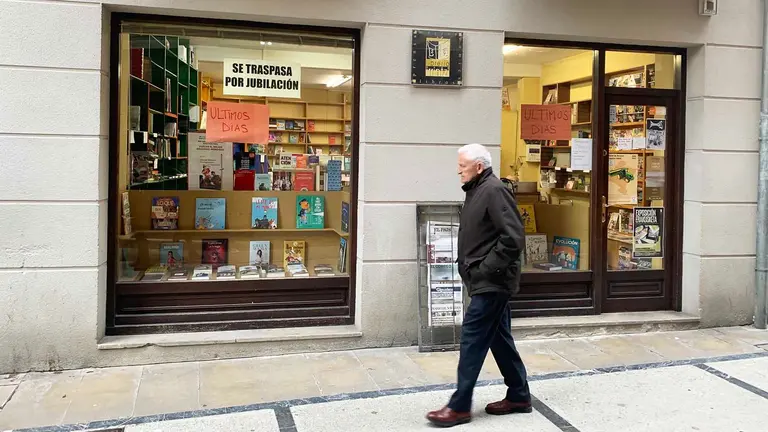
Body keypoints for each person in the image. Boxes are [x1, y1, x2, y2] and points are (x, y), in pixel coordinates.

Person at [426, 143, 531, 427]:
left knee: (472, 338)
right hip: (486, 279)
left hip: (492, 282)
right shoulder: (478, 190)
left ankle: (459, 406)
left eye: (462, 165)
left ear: (479, 167)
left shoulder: (494, 190)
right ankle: (519, 395)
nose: (458, 170)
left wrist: (486, 270)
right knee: (499, 337)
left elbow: (513, 238)